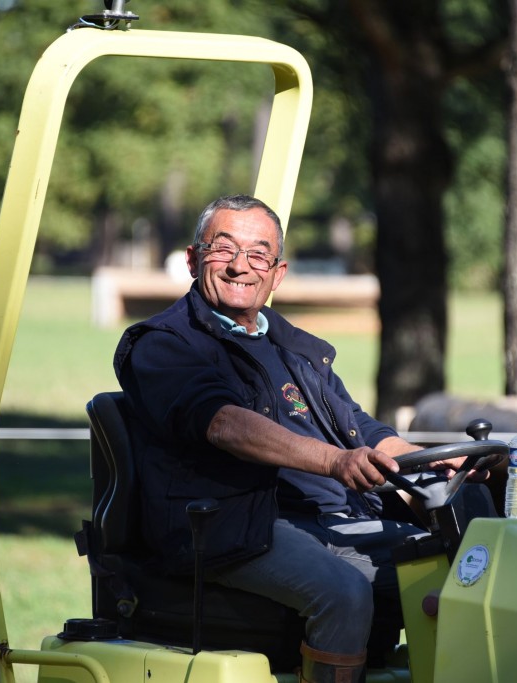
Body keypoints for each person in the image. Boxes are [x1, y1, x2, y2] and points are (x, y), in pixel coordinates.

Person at [113, 194, 476, 683]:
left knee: (466, 568)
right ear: (194, 260)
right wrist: (335, 462)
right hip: (231, 527)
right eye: (224, 249)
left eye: (258, 254)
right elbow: (224, 423)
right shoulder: (163, 344)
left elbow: (360, 428)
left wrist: (429, 461)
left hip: (331, 520)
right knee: (344, 592)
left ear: (277, 273)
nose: (241, 266)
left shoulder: (294, 348)